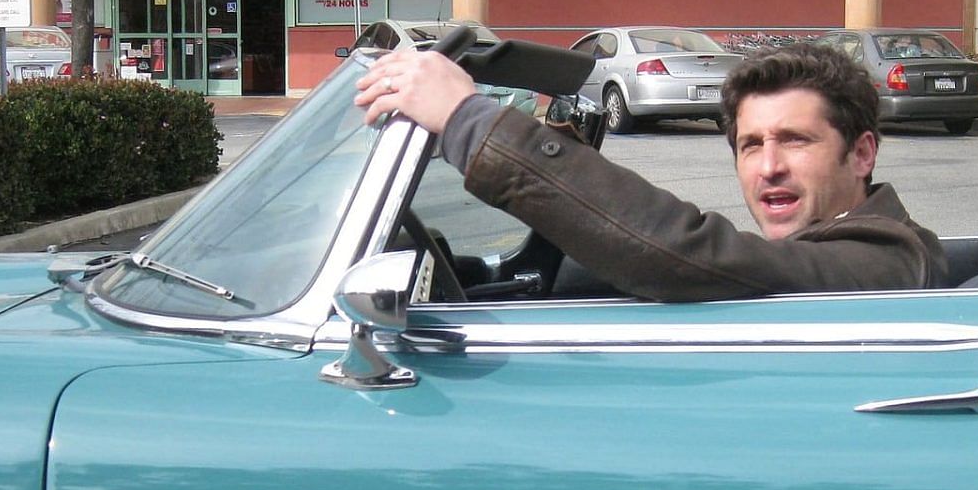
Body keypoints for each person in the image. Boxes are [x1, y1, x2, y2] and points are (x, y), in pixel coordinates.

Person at [354, 41, 948, 302]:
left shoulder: (883, 260)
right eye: (749, 145)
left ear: (863, 153)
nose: (768, 167)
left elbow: (684, 252)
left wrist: (468, 121)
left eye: (796, 142)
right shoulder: (839, 249)